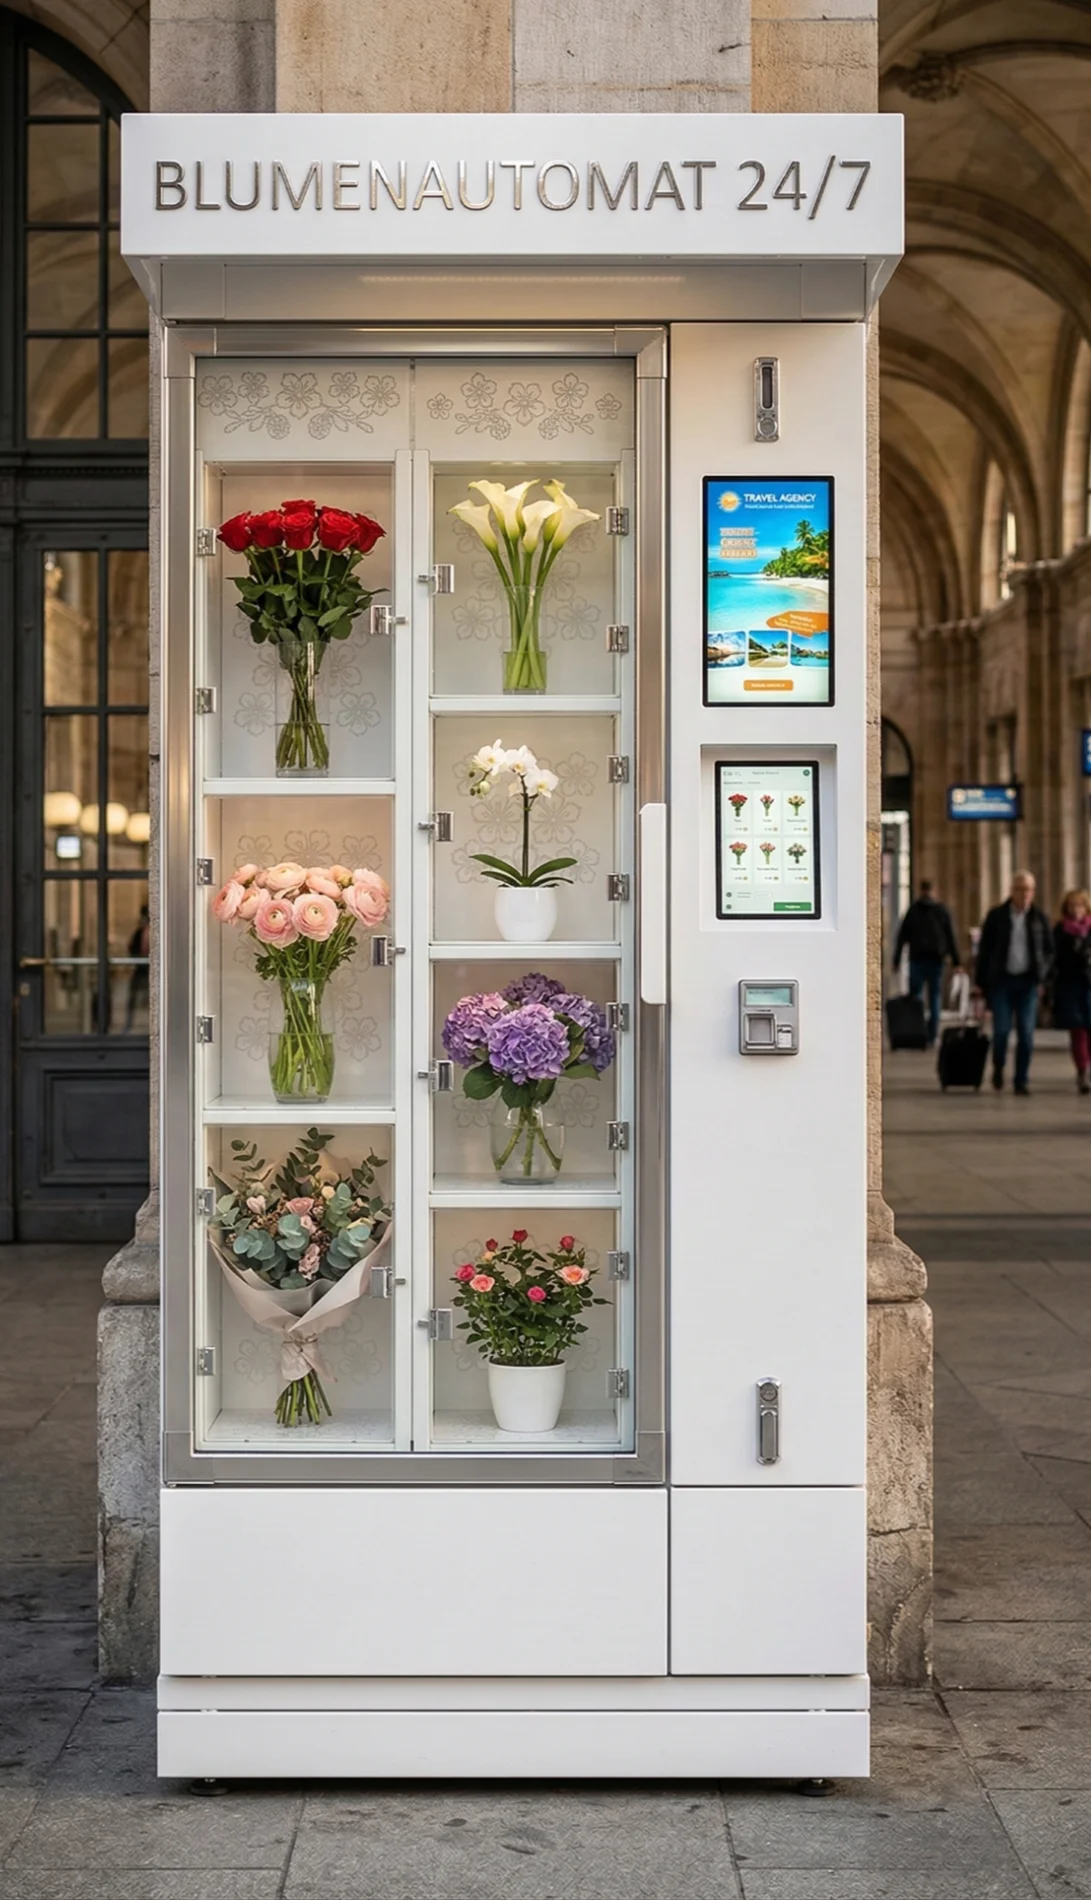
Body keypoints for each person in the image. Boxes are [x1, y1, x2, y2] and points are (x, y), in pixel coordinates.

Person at [975, 870, 1052, 1095]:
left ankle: (1021, 1080)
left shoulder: (1040, 917)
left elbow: (1049, 951)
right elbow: (985, 951)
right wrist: (980, 983)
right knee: (1001, 1031)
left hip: (1028, 982)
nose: (1025, 893)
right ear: (1012, 891)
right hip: (1002, 981)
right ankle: (998, 1066)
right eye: (1020, 889)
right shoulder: (996, 916)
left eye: (1029, 889)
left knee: (1027, 1033)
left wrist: (1044, 976)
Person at [893, 878, 962, 1047]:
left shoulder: (913, 910)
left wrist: (896, 959)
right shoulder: (941, 910)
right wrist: (956, 961)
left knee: (917, 998)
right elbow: (950, 936)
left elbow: (902, 937)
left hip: (917, 959)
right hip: (935, 960)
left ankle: (917, 1032)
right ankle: (932, 1035)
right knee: (934, 997)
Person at [1052, 889, 1091, 1095]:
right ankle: (1082, 1071)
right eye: (1072, 906)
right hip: (1070, 985)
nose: (1076, 910)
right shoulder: (1060, 930)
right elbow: (1053, 958)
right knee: (1078, 1031)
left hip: (1090, 985)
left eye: (1079, 905)